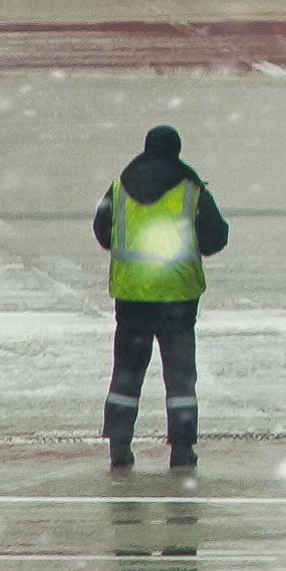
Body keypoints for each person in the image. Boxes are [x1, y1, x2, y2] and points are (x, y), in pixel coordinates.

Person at [93, 123, 224, 471]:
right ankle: (182, 449)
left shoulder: (120, 186)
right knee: (180, 377)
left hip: (132, 297)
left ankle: (119, 445)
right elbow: (216, 238)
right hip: (177, 299)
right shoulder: (189, 188)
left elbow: (102, 231)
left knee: (127, 372)